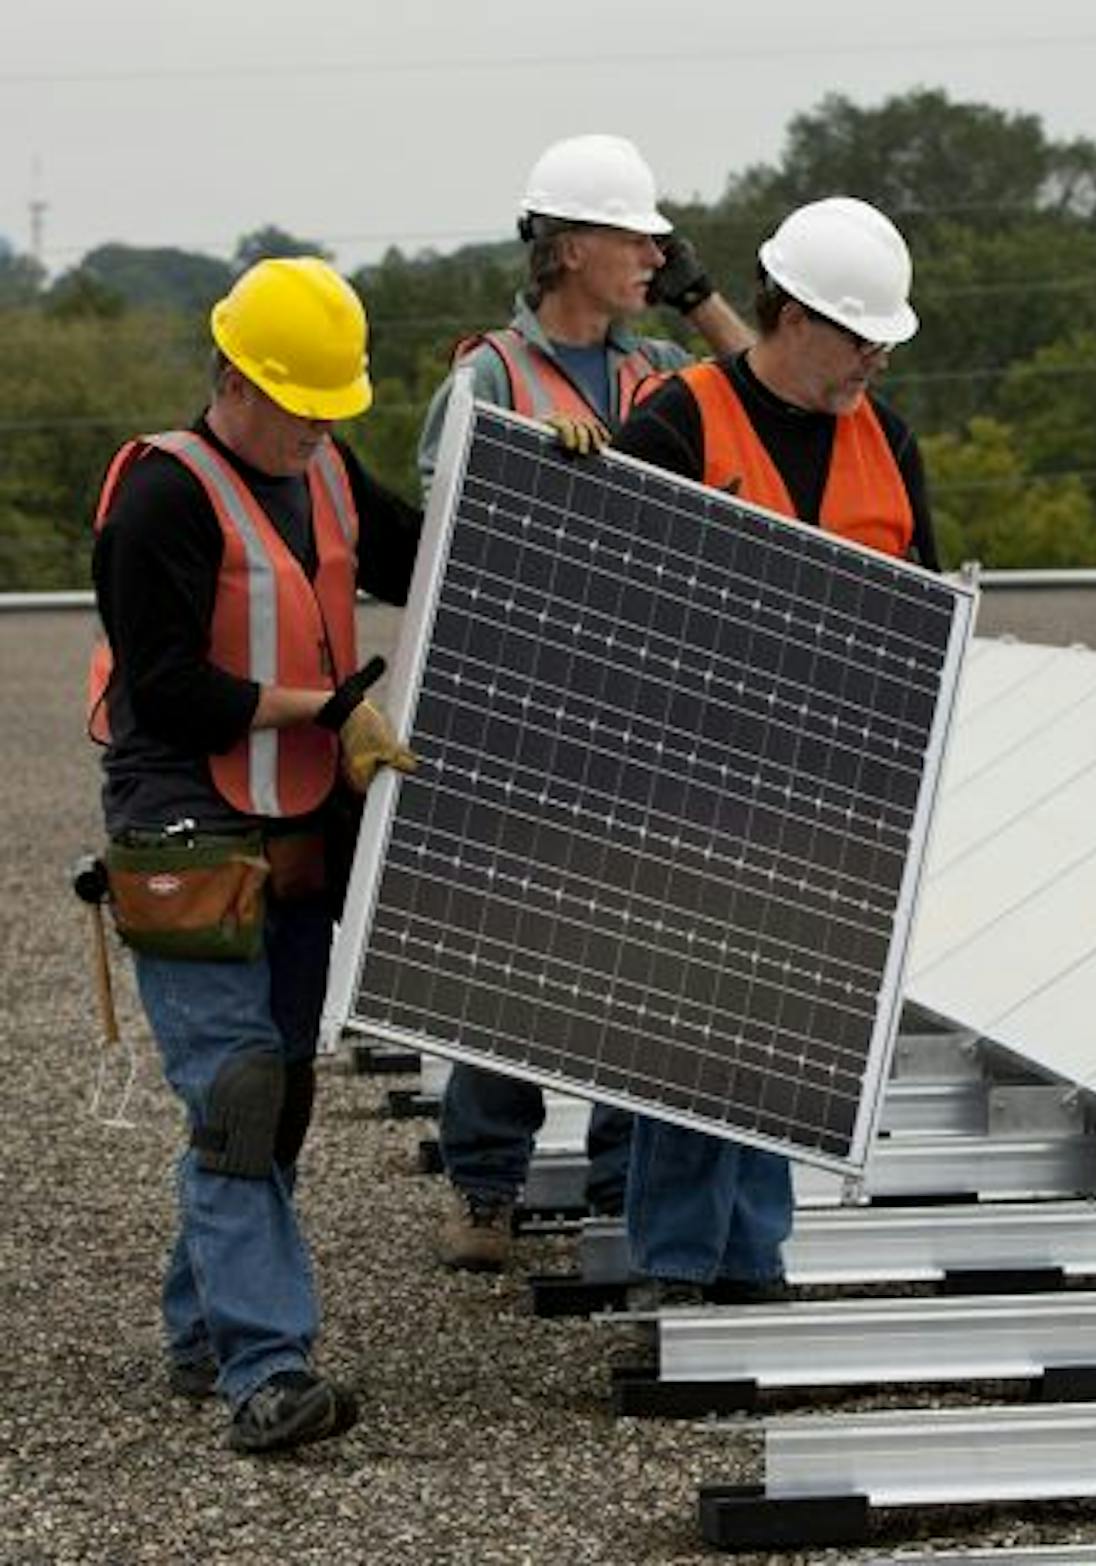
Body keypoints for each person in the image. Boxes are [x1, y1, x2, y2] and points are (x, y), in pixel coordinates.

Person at [89, 258, 422, 1452]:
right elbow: (167, 690)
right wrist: (323, 713)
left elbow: (419, 551)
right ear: (232, 378)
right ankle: (265, 1369)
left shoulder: (324, 465)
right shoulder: (162, 498)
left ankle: (198, 1330)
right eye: (298, 406)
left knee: (272, 1098)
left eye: (333, 409)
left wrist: (552, 479)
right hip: (187, 822)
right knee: (234, 1096)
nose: (318, 430)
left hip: (297, 829)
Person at [417, 133, 756, 1272]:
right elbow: (448, 525)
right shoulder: (490, 378)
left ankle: (619, 1174)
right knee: (518, 955)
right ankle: (483, 1186)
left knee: (631, 953)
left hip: (643, 709)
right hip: (528, 705)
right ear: (565, 248)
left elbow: (776, 397)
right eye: (633, 235)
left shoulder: (664, 366)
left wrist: (707, 301)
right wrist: (529, 471)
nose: (655, 253)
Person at [607, 194, 938, 1309]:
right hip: (696, 784)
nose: (874, 362)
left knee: (786, 1022)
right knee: (691, 1022)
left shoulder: (887, 443)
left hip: (830, 794)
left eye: (885, 341)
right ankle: (677, 1261)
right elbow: (606, 609)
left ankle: (753, 1260)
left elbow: (923, 615)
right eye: (859, 338)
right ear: (789, 314)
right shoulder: (679, 422)